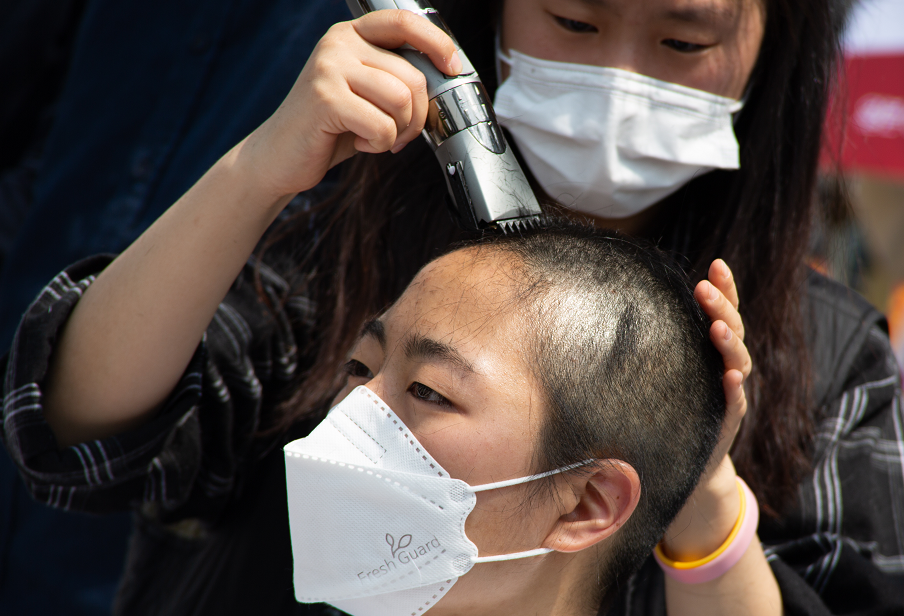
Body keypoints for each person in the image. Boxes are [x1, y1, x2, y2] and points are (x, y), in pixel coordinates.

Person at [2, 0, 902, 614]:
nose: (362, 409)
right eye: (574, 18)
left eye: (682, 41)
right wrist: (258, 171)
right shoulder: (337, 244)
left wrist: (706, 506)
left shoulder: (830, 359)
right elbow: (78, 429)